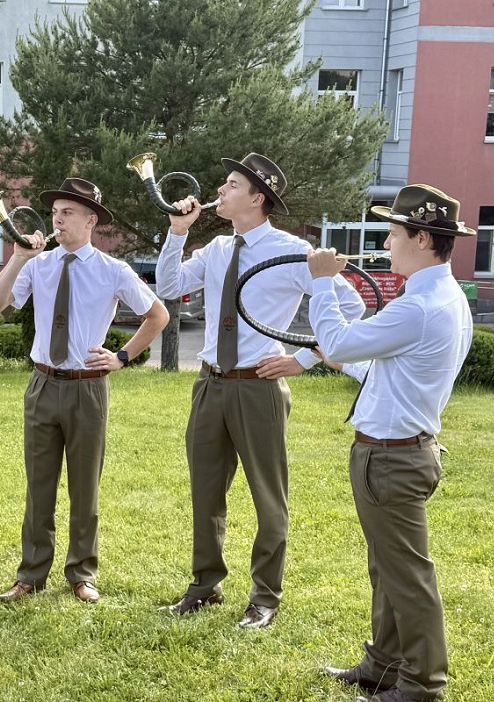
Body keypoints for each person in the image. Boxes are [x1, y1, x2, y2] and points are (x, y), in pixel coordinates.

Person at [155, 153, 365, 626]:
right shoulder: (216, 249)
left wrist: (303, 358)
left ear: (257, 198)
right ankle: (204, 586)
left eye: (232, 184)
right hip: (210, 384)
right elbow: (168, 285)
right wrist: (177, 232)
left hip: (258, 387)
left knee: (269, 498)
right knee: (206, 492)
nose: (220, 190)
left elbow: (351, 306)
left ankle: (265, 597)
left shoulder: (292, 251)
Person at [307, 184, 475, 702]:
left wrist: (322, 283)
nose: (385, 242)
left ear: (422, 238)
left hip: (392, 457)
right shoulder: (439, 298)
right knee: (389, 568)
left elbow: (338, 339)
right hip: (396, 452)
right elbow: (389, 372)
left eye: (393, 232)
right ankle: (383, 665)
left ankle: (421, 685)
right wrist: (341, 357)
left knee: (407, 576)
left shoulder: (420, 306)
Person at [0, 178, 168, 604]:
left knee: (85, 487)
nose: (58, 220)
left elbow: (157, 315)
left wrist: (122, 356)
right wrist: (18, 259)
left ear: (91, 221)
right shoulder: (38, 265)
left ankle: (82, 573)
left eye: (67, 212)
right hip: (43, 384)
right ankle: (30, 575)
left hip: (87, 389)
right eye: (55, 212)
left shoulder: (113, 270)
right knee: (39, 486)